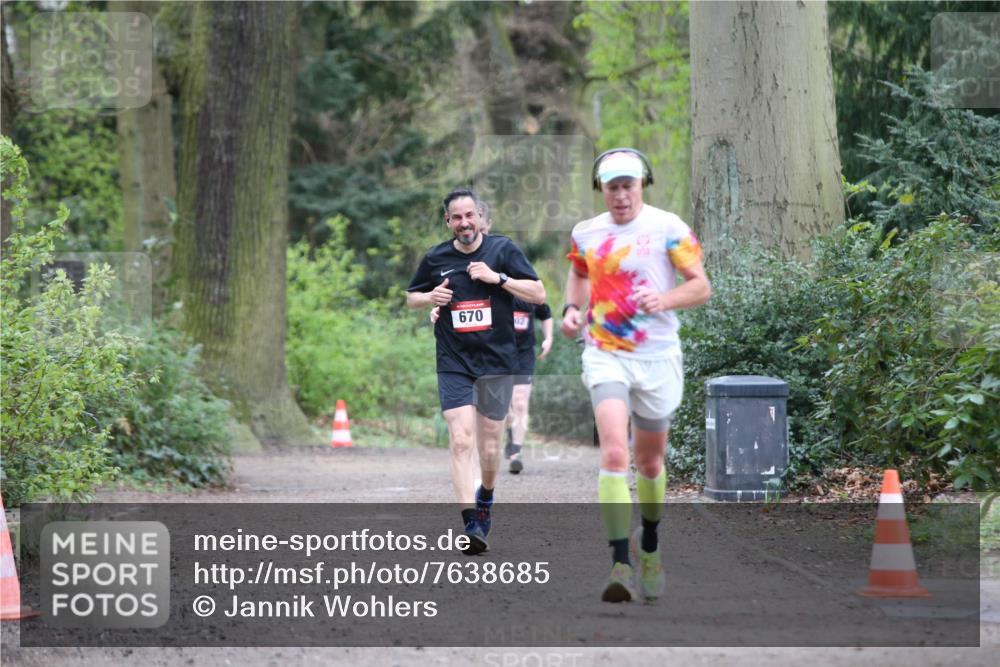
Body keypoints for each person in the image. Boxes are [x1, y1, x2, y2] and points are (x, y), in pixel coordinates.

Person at [560, 149, 711, 602]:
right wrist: (571, 310)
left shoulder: (669, 228)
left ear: (642, 183)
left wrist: (664, 300)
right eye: (612, 187)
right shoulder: (587, 232)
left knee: (649, 463)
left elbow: (700, 286)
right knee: (612, 453)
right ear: (601, 189)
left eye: (628, 185)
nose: (621, 195)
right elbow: (578, 274)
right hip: (605, 351)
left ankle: (649, 544)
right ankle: (619, 564)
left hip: (657, 356)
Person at [407, 188, 546, 555]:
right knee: (461, 439)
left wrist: (497, 278)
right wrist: (429, 298)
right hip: (454, 361)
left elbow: (539, 293)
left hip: (496, 362)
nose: (464, 223)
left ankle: (486, 494)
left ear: (480, 217)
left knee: (488, 446)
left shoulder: (503, 251)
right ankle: (471, 522)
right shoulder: (436, 257)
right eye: (457, 217)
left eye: (470, 215)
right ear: (448, 222)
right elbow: (411, 296)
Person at [432, 203, 554, 475]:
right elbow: (455, 300)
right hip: (483, 351)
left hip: (520, 351)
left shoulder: (510, 270)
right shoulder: (465, 269)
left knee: (519, 401)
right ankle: (486, 453)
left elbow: (544, 307)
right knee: (489, 415)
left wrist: (548, 338)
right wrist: (436, 307)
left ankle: (516, 449)